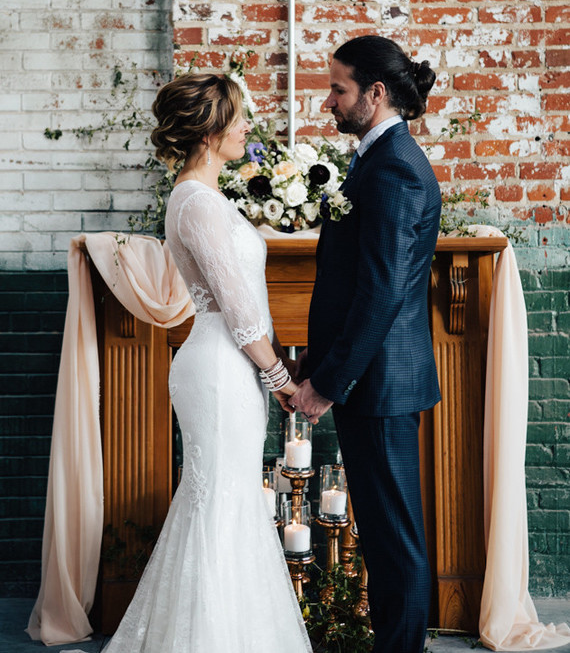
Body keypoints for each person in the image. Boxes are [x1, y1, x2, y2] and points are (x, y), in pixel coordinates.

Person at [103, 73, 311, 653]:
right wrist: (280, 379)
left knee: (230, 499)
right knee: (221, 502)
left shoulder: (207, 198)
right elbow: (240, 309)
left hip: (228, 366)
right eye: (240, 117)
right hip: (221, 367)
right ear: (211, 128)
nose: (247, 127)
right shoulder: (195, 201)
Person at [290, 35, 442, 653]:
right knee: (383, 537)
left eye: (338, 88)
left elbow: (380, 293)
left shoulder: (396, 170)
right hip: (374, 381)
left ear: (374, 94)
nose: (329, 100)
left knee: (393, 540)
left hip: (379, 383)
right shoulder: (377, 160)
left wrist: (326, 382)